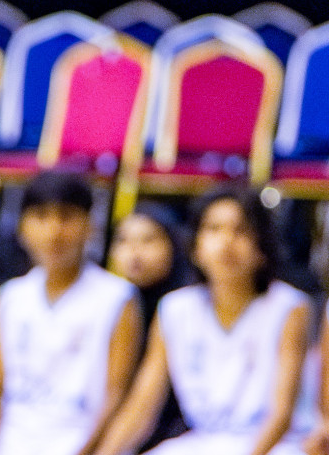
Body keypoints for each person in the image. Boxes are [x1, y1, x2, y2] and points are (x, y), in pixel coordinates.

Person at [94, 185, 312, 455]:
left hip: (275, 446)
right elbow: (141, 406)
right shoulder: (175, 309)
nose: (226, 241)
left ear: (262, 246)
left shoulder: (289, 307)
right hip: (203, 441)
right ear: (195, 246)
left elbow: (281, 416)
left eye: (241, 230)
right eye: (213, 229)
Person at [0, 172, 141, 455]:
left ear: (91, 225)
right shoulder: (7, 298)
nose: (54, 230)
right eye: (41, 216)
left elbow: (116, 395)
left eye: (67, 216)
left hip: (80, 445)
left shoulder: (118, 299)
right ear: (22, 226)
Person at [108, 203, 190, 451]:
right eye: (123, 241)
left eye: (148, 240)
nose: (134, 252)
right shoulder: (112, 303)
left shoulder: (185, 307)